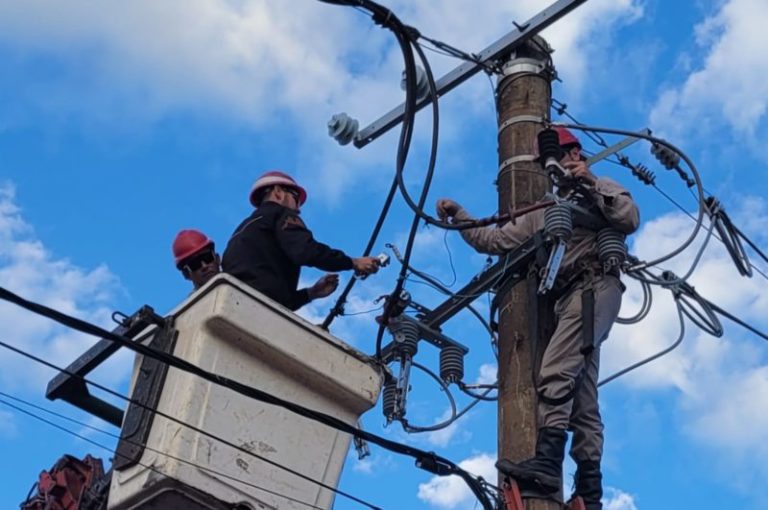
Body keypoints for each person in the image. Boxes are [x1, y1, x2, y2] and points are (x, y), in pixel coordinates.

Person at [436, 127, 640, 510]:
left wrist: (591, 182)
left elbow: (628, 218)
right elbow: (496, 241)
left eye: (561, 156)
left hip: (595, 286)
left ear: (575, 153)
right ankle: (590, 491)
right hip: (572, 301)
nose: (555, 167)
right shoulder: (547, 209)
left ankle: (547, 463)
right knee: (582, 399)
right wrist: (459, 215)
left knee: (556, 371)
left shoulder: (601, 187)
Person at [222, 171, 380, 311]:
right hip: (260, 311)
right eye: (296, 198)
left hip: (234, 307)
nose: (298, 208)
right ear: (278, 191)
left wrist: (312, 293)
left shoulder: (242, 231)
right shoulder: (281, 214)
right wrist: (353, 262)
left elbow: (271, 297)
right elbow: (306, 251)